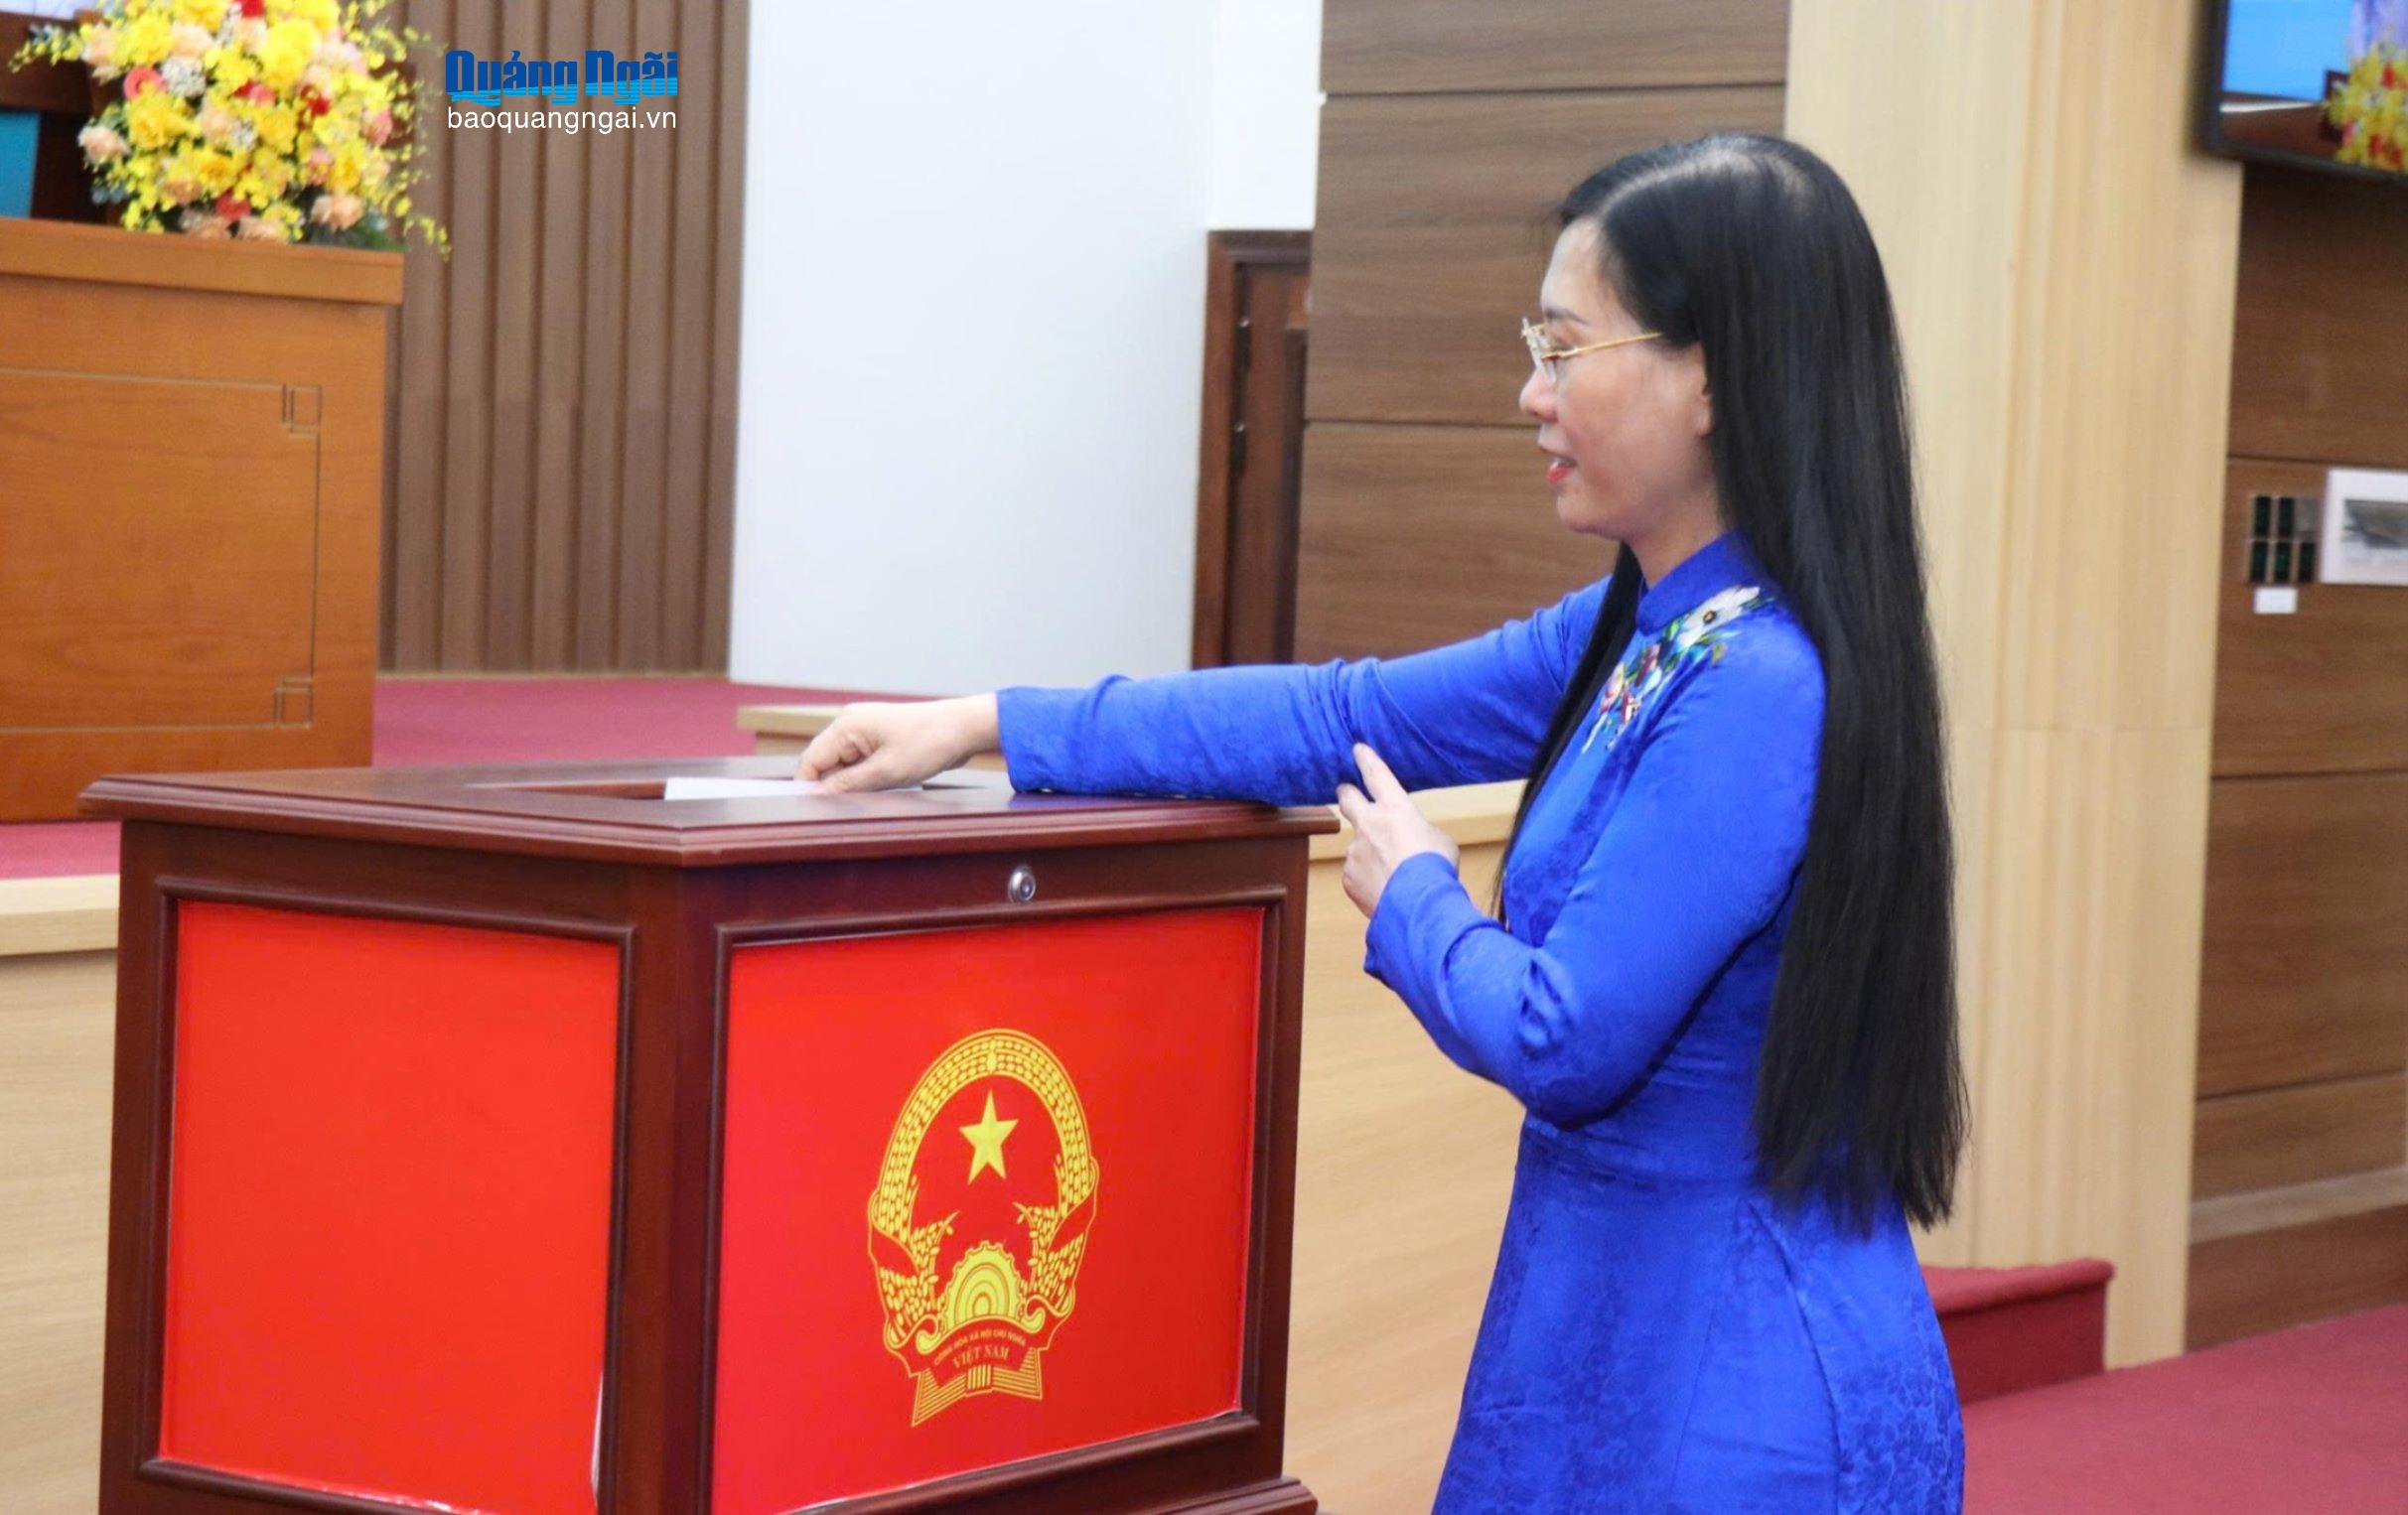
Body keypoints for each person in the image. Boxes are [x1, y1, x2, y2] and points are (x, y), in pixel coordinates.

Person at [796, 132, 1968, 1513]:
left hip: (1733, 1390)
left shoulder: (1755, 677)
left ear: (1708, 376)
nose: (1530, 393)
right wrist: (994, 720)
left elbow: (1567, 1036)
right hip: (1613, 1325)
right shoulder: (1645, 631)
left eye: (1564, 348)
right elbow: (1340, 712)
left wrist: (1417, 897)